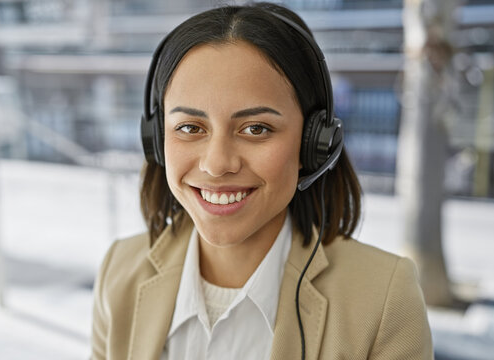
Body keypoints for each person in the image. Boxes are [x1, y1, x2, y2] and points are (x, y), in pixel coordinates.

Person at [91, 3, 433, 360]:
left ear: (313, 143)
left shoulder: (384, 299)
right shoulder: (120, 272)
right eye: (190, 128)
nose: (218, 164)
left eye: (256, 129)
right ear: (156, 140)